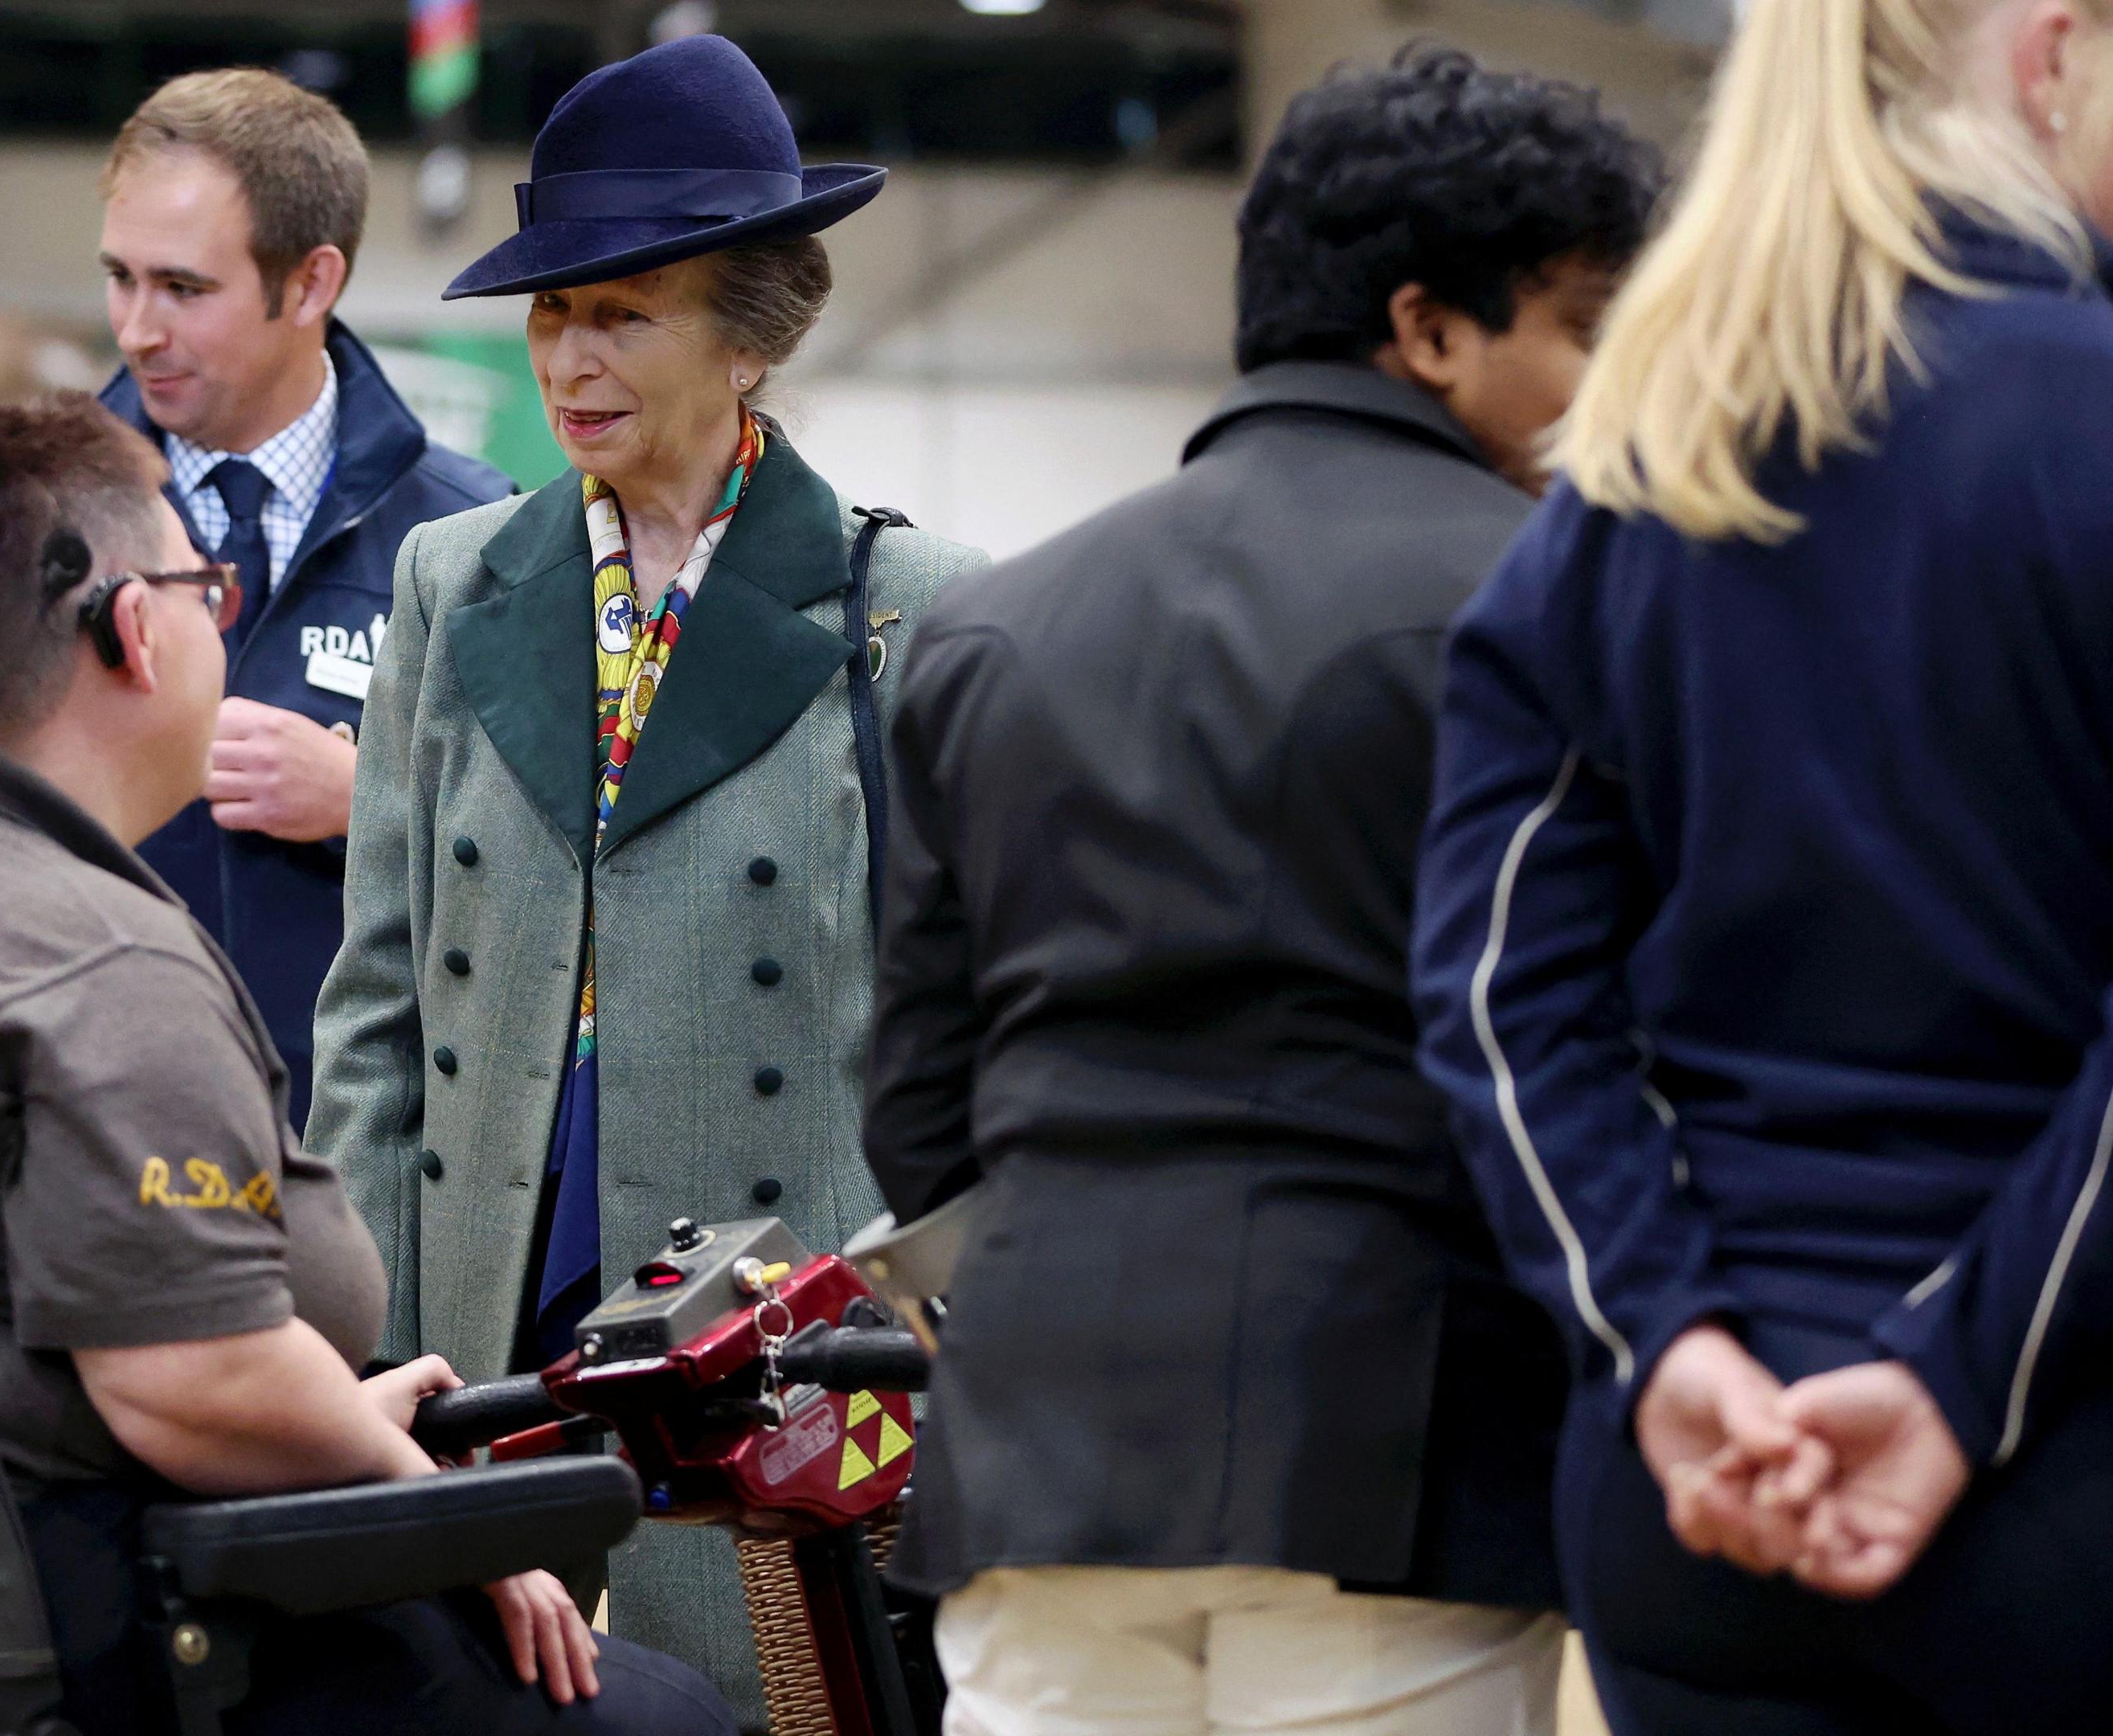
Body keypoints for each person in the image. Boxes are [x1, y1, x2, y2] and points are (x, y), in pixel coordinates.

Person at [0, 395, 733, 1736]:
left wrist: (320, 1414)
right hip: (98, 1630)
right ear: (130, 627)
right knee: (674, 1715)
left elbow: (94, 1332)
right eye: (201, 584)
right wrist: (425, 1504)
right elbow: (183, 1381)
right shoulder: (84, 952)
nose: (218, 619)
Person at [862, 46, 1661, 1736]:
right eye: (1584, 330)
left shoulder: (993, 631)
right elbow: (1600, 1044)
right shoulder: (1552, 609)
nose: (1610, 387)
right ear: (1432, 326)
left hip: (1037, 1458)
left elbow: (921, 1104)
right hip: (1405, 1457)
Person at [1409, 0, 2113, 1728]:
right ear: (2049, 54)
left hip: (1702, 1494)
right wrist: (1957, 1380)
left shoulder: (1641, 471)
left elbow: (1501, 995)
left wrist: (1671, 1345)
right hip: (2063, 1487)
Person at [309, 34, 984, 1718]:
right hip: (486, 1323)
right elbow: (380, 1006)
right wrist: (365, 1350)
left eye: (624, 313)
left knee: (763, 1702)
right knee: (483, 1701)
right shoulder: (452, 584)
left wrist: (916, 1339)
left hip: (766, 1349)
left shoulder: (909, 612)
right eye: (552, 313)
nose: (570, 358)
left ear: (753, 336)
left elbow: (967, 1028)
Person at [96, 68, 512, 1129]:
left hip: (363, 1172)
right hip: (88, 1154)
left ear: (312, 283)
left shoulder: (472, 540)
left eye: (184, 289)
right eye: (121, 278)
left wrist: (367, 797)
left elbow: (554, 873)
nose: (138, 329)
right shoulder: (28, 521)